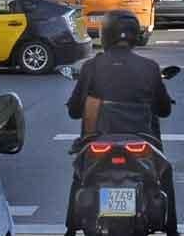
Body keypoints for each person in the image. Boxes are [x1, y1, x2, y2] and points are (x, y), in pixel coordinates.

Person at [66, 12, 177, 236]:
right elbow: (164, 110)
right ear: (135, 36)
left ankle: (70, 228)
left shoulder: (91, 67)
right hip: (142, 141)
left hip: (98, 141)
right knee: (165, 175)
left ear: (105, 35)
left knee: (79, 176)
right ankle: (172, 229)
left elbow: (74, 111)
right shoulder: (149, 67)